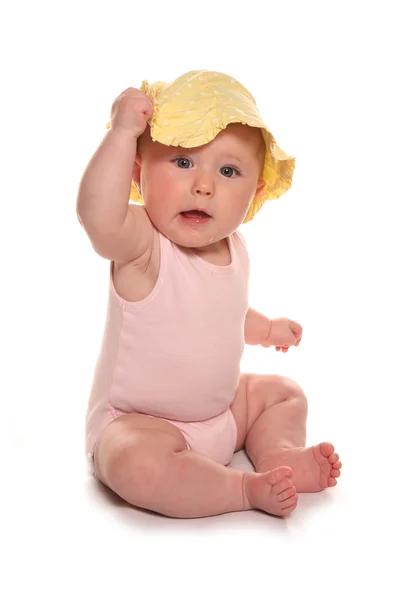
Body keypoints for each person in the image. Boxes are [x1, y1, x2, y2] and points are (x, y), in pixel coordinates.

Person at [77, 70, 342, 519]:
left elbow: (222, 312)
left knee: (283, 393)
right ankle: (241, 490)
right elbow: (97, 219)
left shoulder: (234, 248)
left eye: (228, 170)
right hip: (143, 424)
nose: (204, 185)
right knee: (137, 466)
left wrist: (265, 328)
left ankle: (279, 454)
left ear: (255, 192)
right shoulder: (143, 244)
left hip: (221, 415)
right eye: (182, 162)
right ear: (139, 173)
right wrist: (124, 134)